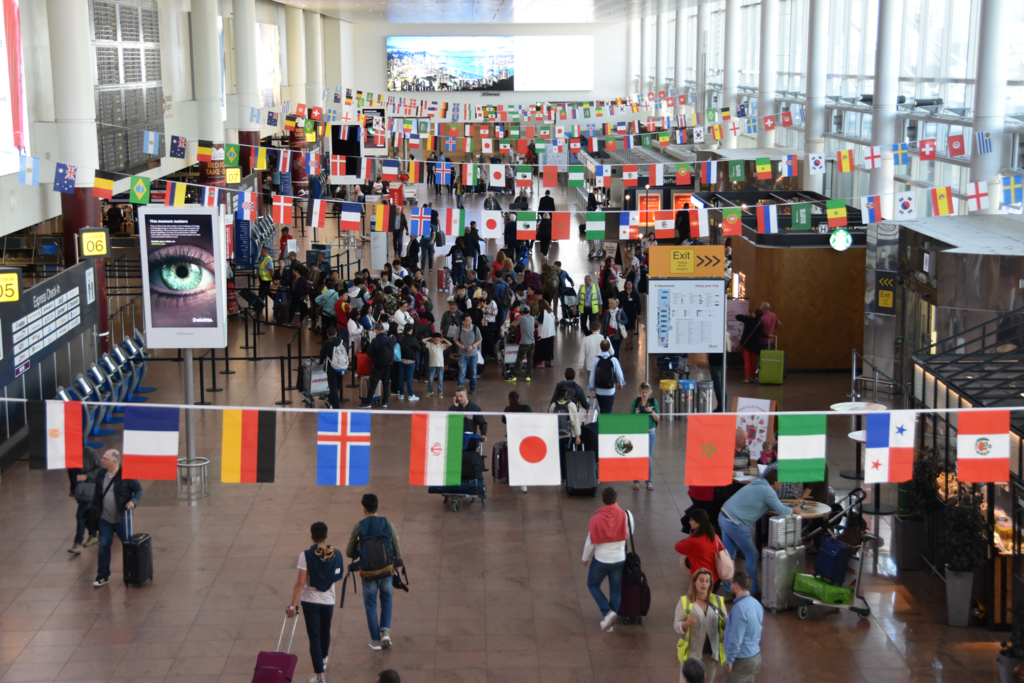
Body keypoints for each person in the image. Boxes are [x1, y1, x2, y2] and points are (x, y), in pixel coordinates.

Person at [718, 469, 798, 597]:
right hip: (736, 523)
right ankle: (753, 590)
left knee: (729, 556)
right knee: (752, 554)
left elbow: (772, 503)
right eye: (781, 482)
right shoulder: (768, 491)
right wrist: (794, 509)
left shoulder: (759, 483)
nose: (782, 485)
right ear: (775, 481)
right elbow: (783, 511)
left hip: (723, 515)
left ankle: (727, 590)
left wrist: (788, 504)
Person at [286, 522, 346, 683]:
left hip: (310, 602)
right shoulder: (337, 554)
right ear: (326, 536)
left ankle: (320, 677)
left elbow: (300, 583)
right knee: (325, 632)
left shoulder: (305, 555)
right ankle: (324, 660)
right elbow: (338, 575)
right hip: (329, 601)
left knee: (314, 637)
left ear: (312, 537)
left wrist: (292, 605)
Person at [346, 494, 403, 652]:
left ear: (364, 509)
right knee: (386, 600)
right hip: (386, 571)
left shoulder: (359, 527)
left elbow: (349, 553)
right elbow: (397, 549)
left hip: (368, 573)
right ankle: (385, 632)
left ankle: (376, 642)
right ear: (377, 506)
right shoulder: (388, 524)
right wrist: (396, 566)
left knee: (370, 605)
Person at [582, 487, 634, 633]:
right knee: (615, 591)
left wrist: (585, 558)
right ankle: (610, 625)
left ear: (603, 500)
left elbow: (590, 541)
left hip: (601, 560)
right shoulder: (627, 515)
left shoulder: (595, 519)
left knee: (592, 584)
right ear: (616, 499)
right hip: (619, 559)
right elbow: (629, 533)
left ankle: (607, 613)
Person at [91, 449, 143, 587]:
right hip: (104, 519)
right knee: (104, 545)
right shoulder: (101, 473)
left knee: (128, 546)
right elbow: (97, 493)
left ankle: (134, 573)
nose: (101, 460)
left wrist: (133, 501)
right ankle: (103, 575)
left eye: (105, 458)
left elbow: (139, 490)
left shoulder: (127, 475)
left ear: (114, 461)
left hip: (122, 519)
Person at [674, 568, 728, 683]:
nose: (704, 583)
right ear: (695, 582)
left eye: (707, 581)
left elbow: (724, 621)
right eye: (701, 580)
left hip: (711, 653)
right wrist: (686, 623)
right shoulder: (685, 602)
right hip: (692, 654)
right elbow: (676, 625)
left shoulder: (717, 601)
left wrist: (729, 623)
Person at [722, 570, 763, 682]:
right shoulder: (756, 604)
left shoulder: (739, 608)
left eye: (730, 583)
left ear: (736, 585)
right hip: (755, 657)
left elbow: (735, 639)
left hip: (741, 661)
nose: (730, 587)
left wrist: (729, 659)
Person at [674, 509, 724, 589]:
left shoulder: (693, 541)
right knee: (710, 601)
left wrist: (692, 535)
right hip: (715, 580)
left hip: (701, 583)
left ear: (699, 522)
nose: (690, 522)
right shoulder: (714, 536)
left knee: (697, 601)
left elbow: (678, 546)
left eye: (692, 520)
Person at [68, 447, 102, 554]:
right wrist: (73, 488)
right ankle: (93, 535)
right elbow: (71, 472)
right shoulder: (70, 454)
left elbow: (100, 469)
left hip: (90, 490)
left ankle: (77, 543)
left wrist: (86, 476)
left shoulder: (91, 452)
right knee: (87, 513)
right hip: (79, 490)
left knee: (80, 516)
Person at [630, 381, 660, 491]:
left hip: (650, 432)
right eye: (642, 392)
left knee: (648, 458)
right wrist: (636, 413)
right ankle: (636, 481)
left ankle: (648, 481)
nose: (644, 394)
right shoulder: (636, 402)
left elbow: (658, 418)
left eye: (646, 392)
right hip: (639, 433)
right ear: (639, 392)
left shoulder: (653, 402)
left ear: (649, 392)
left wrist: (651, 411)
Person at [550, 385, 582, 483]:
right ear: (566, 393)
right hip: (569, 436)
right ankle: (569, 477)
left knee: (559, 457)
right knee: (569, 457)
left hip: (557, 437)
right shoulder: (571, 405)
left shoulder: (553, 405)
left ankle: (562, 477)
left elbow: (550, 422)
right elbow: (575, 422)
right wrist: (578, 436)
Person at [502, 392, 533, 493]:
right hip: (524, 438)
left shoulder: (507, 410)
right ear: (519, 398)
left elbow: (504, 420)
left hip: (511, 439)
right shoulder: (526, 409)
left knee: (514, 460)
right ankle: (523, 483)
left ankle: (514, 479)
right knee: (523, 460)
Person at [362, 323, 394, 409]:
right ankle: (385, 402)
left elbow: (369, 353)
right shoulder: (389, 339)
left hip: (378, 365)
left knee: (373, 383)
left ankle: (368, 402)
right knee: (386, 384)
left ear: (376, 330)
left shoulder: (376, 341)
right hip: (388, 365)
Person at [588, 339, 626, 415]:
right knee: (607, 411)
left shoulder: (596, 360)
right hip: (610, 390)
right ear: (609, 348)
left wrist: (592, 389)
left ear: (600, 348)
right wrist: (620, 383)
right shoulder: (614, 359)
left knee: (600, 411)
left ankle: (600, 425)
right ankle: (605, 425)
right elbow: (619, 373)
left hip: (599, 390)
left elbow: (592, 376)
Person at [318, 326, 348, 409]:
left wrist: (320, 362)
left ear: (327, 335)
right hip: (341, 366)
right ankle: (330, 401)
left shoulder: (326, 343)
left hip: (331, 368)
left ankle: (335, 406)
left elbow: (322, 355)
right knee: (338, 385)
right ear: (336, 333)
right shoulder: (342, 341)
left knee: (333, 387)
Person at [454, 313, 483, 394]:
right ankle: (460, 390)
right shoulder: (459, 328)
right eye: (467, 321)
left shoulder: (475, 328)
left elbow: (479, 339)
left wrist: (472, 346)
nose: (470, 322)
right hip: (462, 355)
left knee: (473, 372)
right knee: (462, 373)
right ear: (463, 322)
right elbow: (455, 339)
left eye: (470, 320)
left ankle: (472, 387)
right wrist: (460, 346)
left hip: (473, 354)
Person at [735, 309, 764, 383]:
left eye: (753, 312)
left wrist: (746, 315)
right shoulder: (760, 323)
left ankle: (746, 378)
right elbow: (761, 334)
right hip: (755, 345)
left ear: (754, 314)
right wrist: (768, 336)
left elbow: (737, 317)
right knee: (753, 361)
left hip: (745, 344)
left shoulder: (747, 319)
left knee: (747, 361)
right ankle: (752, 377)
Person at [397, 324, 424, 401]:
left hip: (401, 360)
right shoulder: (413, 338)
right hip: (411, 361)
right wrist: (421, 343)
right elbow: (420, 349)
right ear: (411, 330)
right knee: (409, 378)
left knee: (401, 378)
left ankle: (401, 394)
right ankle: (411, 395)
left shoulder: (400, 338)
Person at [510, 304, 536, 383]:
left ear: (521, 312)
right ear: (529, 311)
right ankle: (528, 376)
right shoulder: (532, 318)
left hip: (524, 342)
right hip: (532, 342)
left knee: (519, 359)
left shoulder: (521, 318)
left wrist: (513, 323)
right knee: (530, 360)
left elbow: (515, 325)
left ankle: (513, 375)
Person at [423, 332, 451, 399]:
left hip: (440, 365)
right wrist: (430, 338)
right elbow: (423, 341)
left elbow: (450, 344)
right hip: (432, 364)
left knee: (440, 379)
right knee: (430, 379)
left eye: (438, 340)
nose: (437, 341)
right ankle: (430, 391)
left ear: (440, 340)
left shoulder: (442, 345)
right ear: (433, 339)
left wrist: (444, 339)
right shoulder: (429, 344)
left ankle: (440, 392)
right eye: (435, 340)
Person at [578, 320, 606, 385]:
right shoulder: (605, 338)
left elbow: (582, 354)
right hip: (602, 366)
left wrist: (580, 367)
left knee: (590, 387)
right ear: (600, 328)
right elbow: (612, 352)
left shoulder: (586, 339)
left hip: (590, 367)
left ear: (591, 329)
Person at [620, 280, 642, 351]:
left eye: (630, 284)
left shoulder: (635, 294)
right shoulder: (622, 293)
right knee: (624, 328)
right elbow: (619, 302)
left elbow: (638, 304)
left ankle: (631, 342)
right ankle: (626, 342)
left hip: (632, 313)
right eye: (628, 284)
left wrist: (639, 313)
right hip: (624, 313)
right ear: (625, 285)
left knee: (631, 328)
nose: (629, 285)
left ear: (632, 285)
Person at [535, 299, 556, 368]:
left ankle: (542, 364)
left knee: (543, 348)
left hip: (543, 333)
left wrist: (534, 320)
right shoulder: (550, 311)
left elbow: (540, 322)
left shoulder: (542, 312)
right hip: (550, 333)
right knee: (549, 348)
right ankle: (550, 362)